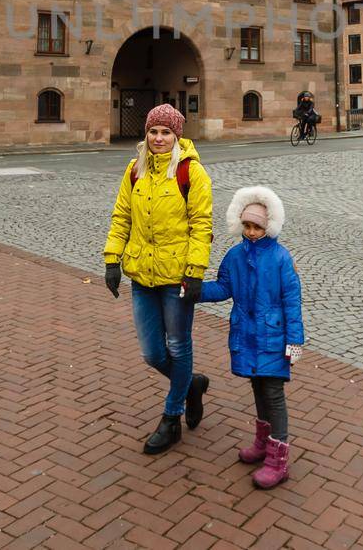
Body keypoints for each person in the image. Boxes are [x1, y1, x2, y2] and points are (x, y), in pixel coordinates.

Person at [103, 103, 213, 454]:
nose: (159, 138)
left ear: (177, 136)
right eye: (154, 131)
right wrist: (111, 259)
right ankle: (191, 385)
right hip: (141, 275)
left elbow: (201, 224)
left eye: (166, 132)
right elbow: (122, 216)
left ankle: (172, 416)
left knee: (178, 347)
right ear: (146, 134)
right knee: (152, 353)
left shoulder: (191, 173)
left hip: (176, 277)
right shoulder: (134, 170)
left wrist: (194, 272)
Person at [195, 185, 305, 489]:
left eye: (257, 226)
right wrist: (194, 291)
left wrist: (295, 340)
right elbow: (224, 288)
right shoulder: (235, 256)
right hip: (248, 335)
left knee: (273, 394)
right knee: (258, 388)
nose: (252, 231)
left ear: (268, 226)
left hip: (273, 337)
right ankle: (262, 442)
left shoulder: (281, 259)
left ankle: (278, 458)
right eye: (247, 225)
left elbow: (292, 302)